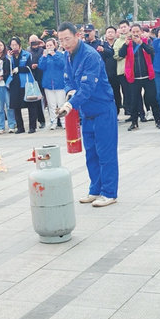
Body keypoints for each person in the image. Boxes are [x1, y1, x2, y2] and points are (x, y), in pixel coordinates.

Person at [56, 22, 118, 207]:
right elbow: (67, 80)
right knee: (91, 153)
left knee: (105, 153)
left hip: (102, 109)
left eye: (67, 39)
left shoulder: (91, 56)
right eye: (61, 40)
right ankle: (95, 190)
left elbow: (87, 87)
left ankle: (109, 193)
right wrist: (69, 93)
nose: (64, 44)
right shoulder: (67, 56)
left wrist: (70, 104)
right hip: (86, 111)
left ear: (78, 36)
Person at [118, 24, 160, 131]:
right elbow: (121, 54)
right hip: (134, 77)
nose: (135, 34)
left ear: (141, 32)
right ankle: (134, 123)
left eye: (137, 31)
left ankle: (158, 121)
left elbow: (151, 51)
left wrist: (141, 43)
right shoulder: (128, 43)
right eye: (133, 32)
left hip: (148, 76)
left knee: (152, 99)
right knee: (134, 101)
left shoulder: (146, 41)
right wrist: (125, 44)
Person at [9, 37, 39, 134]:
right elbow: (7, 68)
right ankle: (20, 127)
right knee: (16, 106)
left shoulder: (27, 54)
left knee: (31, 105)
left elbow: (30, 67)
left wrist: (19, 69)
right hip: (14, 83)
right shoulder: (9, 56)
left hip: (25, 82)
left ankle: (32, 127)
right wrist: (9, 58)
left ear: (19, 45)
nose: (14, 47)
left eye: (16, 45)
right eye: (12, 45)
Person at [38, 38, 65, 129]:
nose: (49, 47)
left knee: (61, 104)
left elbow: (62, 64)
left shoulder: (60, 55)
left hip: (59, 84)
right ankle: (53, 122)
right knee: (51, 105)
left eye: (51, 45)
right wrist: (44, 57)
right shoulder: (44, 56)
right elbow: (41, 67)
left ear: (54, 45)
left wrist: (54, 55)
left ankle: (63, 122)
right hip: (48, 84)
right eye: (47, 45)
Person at [113, 20, 132, 118]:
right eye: (121, 27)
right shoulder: (118, 42)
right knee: (126, 92)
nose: (123, 29)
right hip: (122, 71)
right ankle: (129, 111)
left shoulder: (134, 38)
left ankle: (139, 112)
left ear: (129, 27)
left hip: (134, 70)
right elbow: (116, 55)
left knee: (135, 92)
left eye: (125, 27)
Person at [27, 34, 46, 128]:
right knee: (36, 100)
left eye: (36, 41)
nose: (34, 43)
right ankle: (41, 120)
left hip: (43, 76)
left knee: (48, 100)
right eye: (32, 41)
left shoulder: (42, 50)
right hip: (33, 78)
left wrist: (43, 44)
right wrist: (31, 66)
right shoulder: (27, 52)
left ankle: (56, 120)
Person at [102, 26, 121, 114]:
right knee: (107, 93)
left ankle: (117, 111)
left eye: (112, 32)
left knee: (117, 92)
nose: (110, 34)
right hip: (106, 73)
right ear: (105, 34)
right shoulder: (102, 45)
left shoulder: (118, 43)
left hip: (117, 73)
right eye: (108, 32)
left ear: (115, 33)